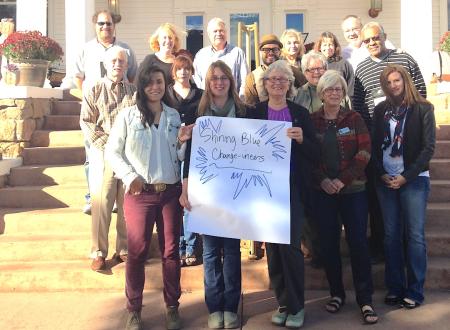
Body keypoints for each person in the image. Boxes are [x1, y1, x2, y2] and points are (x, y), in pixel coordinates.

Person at [106, 65, 193, 330]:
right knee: (137, 252)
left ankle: (172, 307)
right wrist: (129, 176)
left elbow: (177, 156)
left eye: (159, 82)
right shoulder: (128, 116)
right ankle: (133, 309)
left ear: (165, 85)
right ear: (141, 87)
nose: (155, 87)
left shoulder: (173, 115)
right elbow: (113, 152)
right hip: (139, 194)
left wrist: (181, 142)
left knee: (170, 252)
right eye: (149, 83)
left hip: (169, 193)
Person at [249, 60, 319, 329]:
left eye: (283, 80)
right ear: (265, 84)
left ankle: (297, 306)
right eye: (272, 79)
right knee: (273, 250)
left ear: (290, 85)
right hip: (263, 189)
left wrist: (302, 139)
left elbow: (315, 153)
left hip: (291, 187)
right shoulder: (254, 112)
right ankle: (282, 302)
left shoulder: (300, 113)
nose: (277, 83)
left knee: (290, 248)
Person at [180, 60, 247, 329]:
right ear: (207, 83)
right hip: (205, 190)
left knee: (231, 250)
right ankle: (213, 306)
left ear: (231, 81)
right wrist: (185, 188)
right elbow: (189, 157)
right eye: (214, 78)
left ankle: (231, 306)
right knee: (209, 252)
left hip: (235, 192)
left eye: (224, 78)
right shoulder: (198, 114)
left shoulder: (244, 113)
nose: (219, 82)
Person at [353, 21, 427, 264]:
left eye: (376, 38)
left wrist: (413, 121)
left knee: (409, 213)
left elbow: (421, 91)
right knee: (381, 204)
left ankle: (407, 252)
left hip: (408, 140)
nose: (372, 43)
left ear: (384, 36)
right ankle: (381, 249)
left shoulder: (403, 59)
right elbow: (359, 104)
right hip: (379, 140)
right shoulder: (361, 69)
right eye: (367, 40)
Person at [310, 70, 377, 324]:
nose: (334, 93)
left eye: (338, 89)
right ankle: (336, 293)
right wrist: (324, 180)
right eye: (329, 89)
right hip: (323, 192)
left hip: (353, 191)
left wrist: (342, 179)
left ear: (343, 92)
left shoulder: (354, 117)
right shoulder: (312, 120)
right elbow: (309, 156)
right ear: (322, 93)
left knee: (358, 243)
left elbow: (364, 152)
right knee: (328, 244)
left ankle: (365, 299)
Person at [372, 64, 436, 309]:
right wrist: (380, 174)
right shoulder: (381, 110)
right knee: (390, 236)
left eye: (396, 80)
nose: (393, 85)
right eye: (388, 82)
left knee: (415, 236)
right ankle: (395, 287)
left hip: (414, 179)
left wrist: (406, 176)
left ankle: (415, 290)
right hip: (386, 179)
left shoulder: (423, 109)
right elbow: (374, 144)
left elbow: (428, 148)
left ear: (405, 81)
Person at [72, 9, 138, 215]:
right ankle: (93, 196)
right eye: (101, 23)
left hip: (121, 108)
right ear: (95, 25)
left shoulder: (125, 49)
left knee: (123, 153)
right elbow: (78, 77)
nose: (105, 27)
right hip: (95, 110)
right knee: (92, 156)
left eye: (108, 23)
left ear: (114, 25)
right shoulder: (86, 50)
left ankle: (119, 197)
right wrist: (87, 98)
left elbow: (133, 76)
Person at [80, 46, 136, 271]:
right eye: (113, 61)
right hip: (103, 154)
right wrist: (109, 146)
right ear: (105, 63)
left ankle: (123, 249)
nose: (117, 65)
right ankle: (98, 251)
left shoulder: (134, 92)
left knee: (126, 203)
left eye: (121, 61)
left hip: (129, 155)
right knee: (102, 203)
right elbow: (86, 121)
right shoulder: (94, 89)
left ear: (126, 65)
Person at [165, 54, 203, 267]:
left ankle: (190, 246)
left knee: (187, 197)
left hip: (194, 151)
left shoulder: (200, 94)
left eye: (187, 68)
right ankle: (177, 245)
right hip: (171, 148)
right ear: (174, 72)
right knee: (173, 197)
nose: (183, 72)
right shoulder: (166, 94)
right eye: (179, 68)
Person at [244, 34, 306, 106]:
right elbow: (250, 106)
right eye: (266, 50)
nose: (270, 53)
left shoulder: (293, 72)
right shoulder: (252, 78)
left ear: (280, 52)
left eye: (275, 49)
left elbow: (306, 92)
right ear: (260, 52)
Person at [193, 17, 249, 97]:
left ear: (226, 33)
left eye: (221, 30)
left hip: (232, 105)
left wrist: (240, 103)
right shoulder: (201, 55)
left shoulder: (237, 53)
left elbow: (245, 81)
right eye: (215, 31)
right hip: (207, 105)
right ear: (209, 34)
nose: (218, 34)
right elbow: (197, 82)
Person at [314, 31, 355, 97]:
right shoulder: (315, 64)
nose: (328, 48)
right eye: (324, 45)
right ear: (319, 47)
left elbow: (350, 88)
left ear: (335, 46)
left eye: (330, 45)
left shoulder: (343, 64)